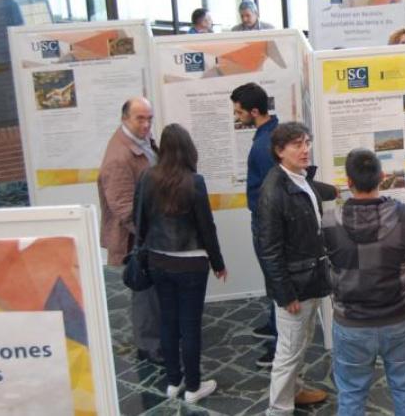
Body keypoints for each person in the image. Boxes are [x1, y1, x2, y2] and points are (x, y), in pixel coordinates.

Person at [323, 149, 405, 415]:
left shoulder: (329, 221)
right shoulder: (404, 216)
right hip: (400, 317)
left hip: (351, 322)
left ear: (348, 181)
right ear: (381, 177)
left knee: (351, 395)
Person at [133, 123, 227, 404]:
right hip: (191, 265)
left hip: (159, 260)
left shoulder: (148, 178)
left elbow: (140, 222)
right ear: (188, 149)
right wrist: (218, 262)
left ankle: (173, 382)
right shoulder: (194, 181)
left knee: (168, 322)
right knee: (190, 326)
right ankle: (194, 386)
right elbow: (206, 227)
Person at [258, 122, 337, 415]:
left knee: (302, 343)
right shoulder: (273, 192)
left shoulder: (300, 178)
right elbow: (270, 250)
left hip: (312, 278)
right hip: (295, 286)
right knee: (288, 352)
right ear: (280, 151)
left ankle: (296, 390)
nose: (305, 150)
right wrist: (284, 293)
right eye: (297, 145)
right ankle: (278, 409)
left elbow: (315, 196)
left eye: (307, 142)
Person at [98, 97, 163, 364]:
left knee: (153, 291)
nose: (146, 124)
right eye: (140, 118)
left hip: (150, 230)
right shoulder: (118, 157)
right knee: (145, 292)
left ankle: (156, 339)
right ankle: (149, 346)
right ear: (125, 119)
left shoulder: (141, 140)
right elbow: (123, 207)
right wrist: (151, 233)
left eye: (149, 118)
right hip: (138, 238)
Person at [230, 82, 279, 368]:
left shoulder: (263, 145)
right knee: (272, 281)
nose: (237, 117)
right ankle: (274, 325)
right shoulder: (270, 133)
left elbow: (269, 193)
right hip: (265, 222)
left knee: (275, 282)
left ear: (255, 111)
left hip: (266, 225)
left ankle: (277, 343)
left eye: (239, 112)